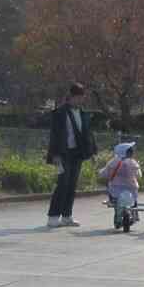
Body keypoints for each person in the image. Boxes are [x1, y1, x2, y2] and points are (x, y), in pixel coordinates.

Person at [43, 83, 96, 228]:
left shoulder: (83, 113)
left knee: (72, 185)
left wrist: (91, 152)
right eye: (78, 97)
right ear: (71, 97)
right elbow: (55, 135)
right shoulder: (60, 113)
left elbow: (88, 134)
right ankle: (53, 216)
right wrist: (55, 154)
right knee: (62, 184)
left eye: (82, 98)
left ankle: (67, 216)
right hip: (63, 153)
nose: (80, 100)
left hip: (77, 153)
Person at [98, 140, 142, 232]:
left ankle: (117, 217)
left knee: (116, 203)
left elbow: (104, 174)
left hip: (116, 191)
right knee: (133, 202)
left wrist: (100, 172)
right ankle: (135, 215)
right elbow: (139, 175)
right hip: (131, 191)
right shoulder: (133, 163)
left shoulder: (113, 162)